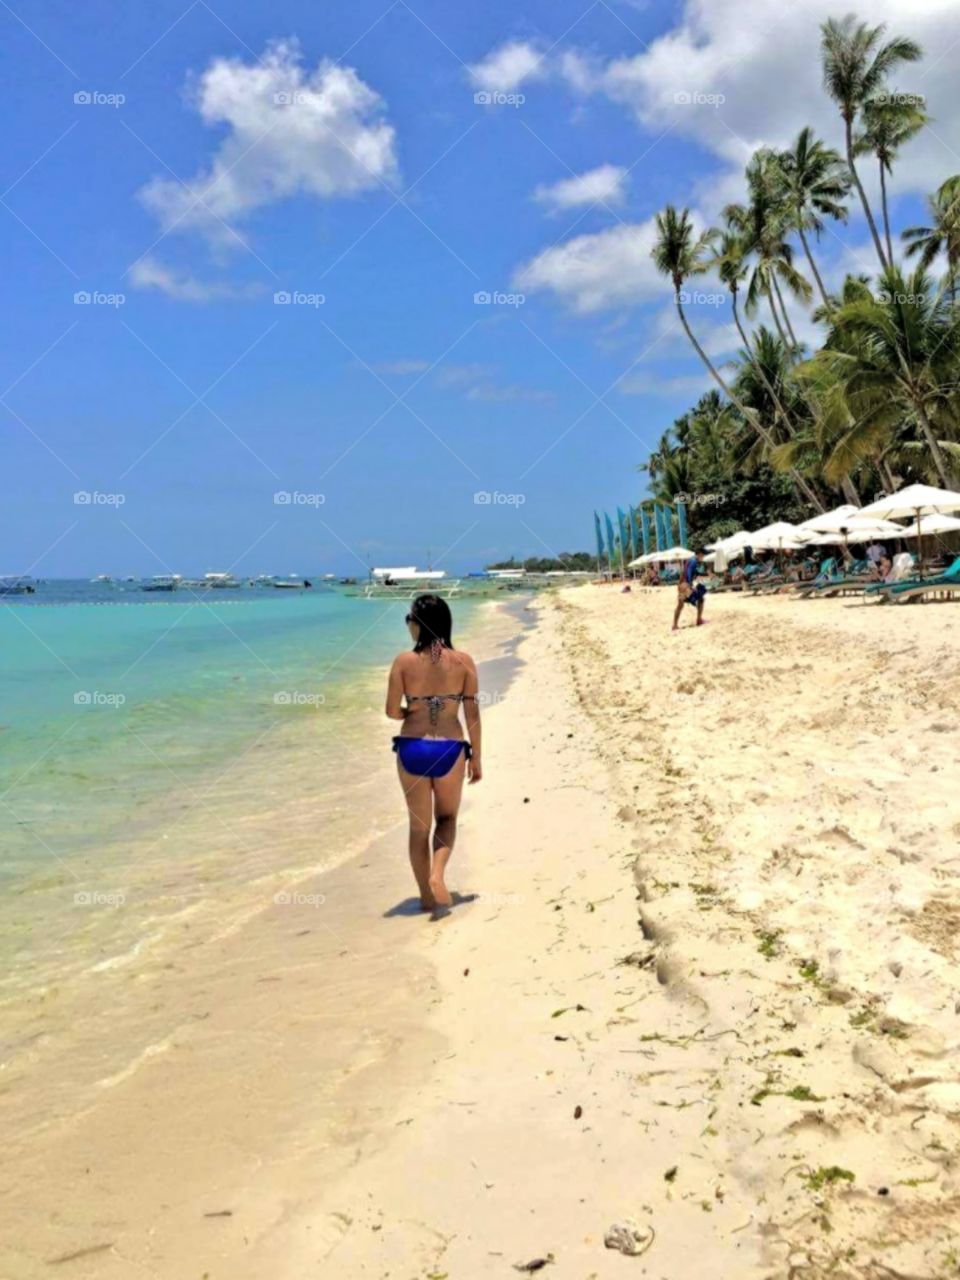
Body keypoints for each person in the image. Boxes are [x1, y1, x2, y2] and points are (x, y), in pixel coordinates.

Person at [385, 595, 481, 913]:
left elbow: (390, 711)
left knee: (418, 827)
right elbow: (472, 714)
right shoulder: (464, 661)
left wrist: (412, 713)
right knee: (447, 818)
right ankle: (438, 875)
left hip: (412, 748)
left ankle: (426, 899)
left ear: (418, 624)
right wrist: (476, 756)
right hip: (450, 749)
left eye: (409, 620)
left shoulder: (403, 662)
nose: (408, 626)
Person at [672, 550, 707, 630]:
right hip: (685, 585)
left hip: (681, 585)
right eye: (703, 555)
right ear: (699, 554)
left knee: (680, 605)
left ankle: (674, 625)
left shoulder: (691, 560)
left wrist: (705, 574)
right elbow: (689, 572)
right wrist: (690, 585)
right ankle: (699, 620)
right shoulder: (694, 561)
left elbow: (694, 572)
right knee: (701, 599)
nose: (703, 557)